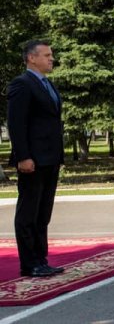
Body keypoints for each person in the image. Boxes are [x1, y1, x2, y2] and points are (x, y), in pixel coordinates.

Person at [7, 40, 65, 277]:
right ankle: (29, 263)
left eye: (51, 55)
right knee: (29, 212)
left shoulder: (47, 83)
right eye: (47, 55)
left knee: (44, 212)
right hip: (33, 159)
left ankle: (41, 259)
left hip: (50, 158)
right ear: (31, 58)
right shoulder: (22, 84)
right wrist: (23, 156)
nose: (51, 58)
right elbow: (16, 123)